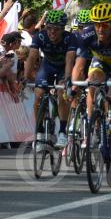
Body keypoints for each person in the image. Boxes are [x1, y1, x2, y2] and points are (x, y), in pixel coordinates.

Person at [73, 3, 111, 169]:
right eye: (97, 24)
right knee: (93, 81)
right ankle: (93, 126)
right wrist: (73, 86)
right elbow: (79, 65)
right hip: (100, 63)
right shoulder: (86, 35)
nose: (100, 29)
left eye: (105, 25)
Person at [25, 10, 77, 148]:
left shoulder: (70, 38)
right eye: (49, 28)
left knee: (62, 93)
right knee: (39, 94)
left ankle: (62, 133)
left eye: (56, 29)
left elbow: (70, 60)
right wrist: (25, 77)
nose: (52, 32)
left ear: (63, 29)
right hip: (47, 67)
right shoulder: (40, 36)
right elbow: (31, 57)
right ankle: (40, 132)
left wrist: (67, 79)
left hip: (63, 68)